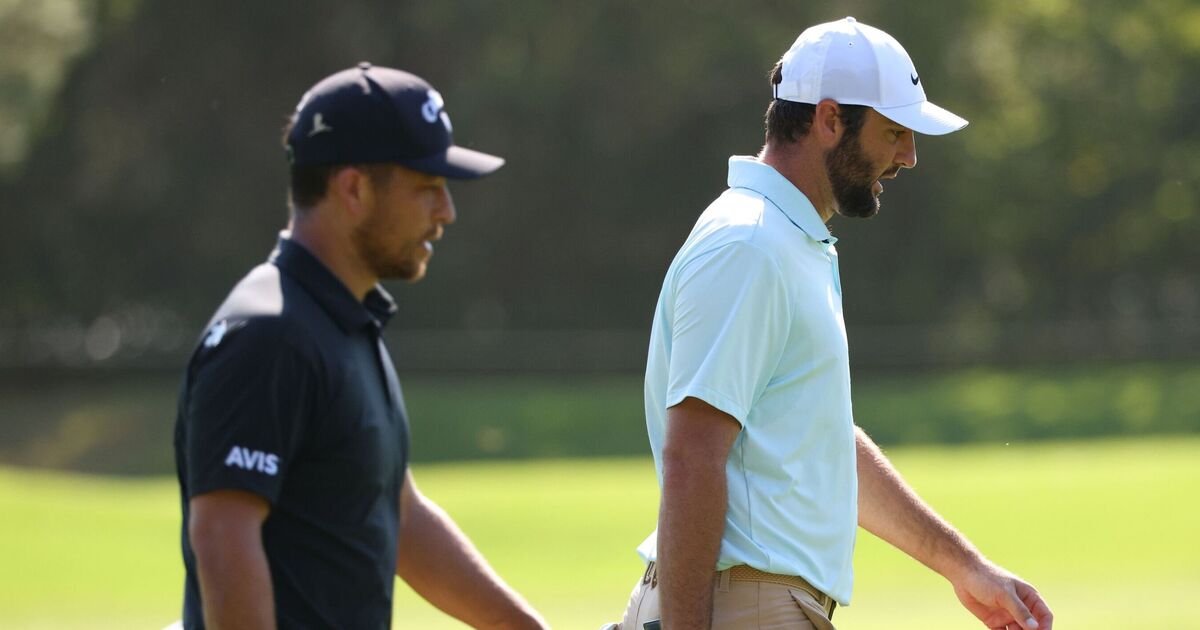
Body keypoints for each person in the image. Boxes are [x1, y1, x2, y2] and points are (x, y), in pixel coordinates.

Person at [613, 17, 1054, 630]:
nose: (909, 156)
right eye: (895, 132)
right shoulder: (750, 243)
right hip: (745, 608)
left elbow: (819, 440)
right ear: (828, 120)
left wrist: (964, 566)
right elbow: (691, 457)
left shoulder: (785, 241)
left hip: (759, 605)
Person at [173, 63, 547, 629]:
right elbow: (223, 533)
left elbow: (400, 515)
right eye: (427, 188)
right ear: (353, 188)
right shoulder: (270, 335)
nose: (446, 212)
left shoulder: (340, 323)